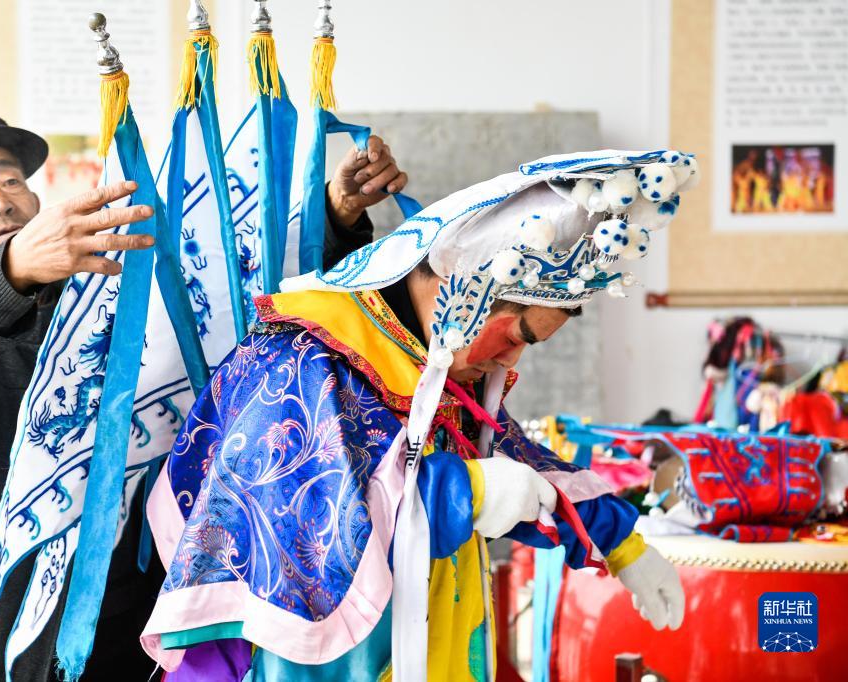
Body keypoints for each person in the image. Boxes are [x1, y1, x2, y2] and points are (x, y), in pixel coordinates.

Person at [0, 107, 406, 681]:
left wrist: (333, 218)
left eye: (11, 181)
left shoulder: (108, 309)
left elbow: (235, 303)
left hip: (120, 636)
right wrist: (10, 271)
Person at [139, 150, 697, 680]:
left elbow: (524, 474)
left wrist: (623, 545)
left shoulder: (432, 366)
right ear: (468, 292)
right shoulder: (303, 358)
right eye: (515, 335)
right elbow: (314, 520)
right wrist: (468, 492)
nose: (511, 360)